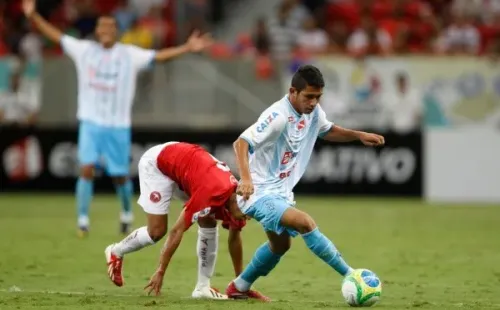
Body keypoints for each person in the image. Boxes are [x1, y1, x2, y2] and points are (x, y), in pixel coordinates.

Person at [21, 0, 213, 237]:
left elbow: (159, 57)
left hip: (118, 125)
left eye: (110, 28)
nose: (105, 32)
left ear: (116, 32)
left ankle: (125, 213)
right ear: (97, 31)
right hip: (90, 122)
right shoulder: (85, 51)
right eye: (102, 28)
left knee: (120, 175)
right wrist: (32, 15)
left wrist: (186, 48)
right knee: (86, 168)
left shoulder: (128, 55)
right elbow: (56, 36)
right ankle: (82, 220)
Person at [225, 65, 385, 301]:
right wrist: (246, 179)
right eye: (309, 96)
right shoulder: (277, 117)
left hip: (281, 193)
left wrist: (358, 135)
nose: (313, 102)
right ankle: (352, 275)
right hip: (257, 193)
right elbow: (241, 143)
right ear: (293, 92)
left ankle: (239, 287)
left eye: (318, 97)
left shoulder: (314, 112)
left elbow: (327, 130)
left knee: (280, 246)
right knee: (304, 222)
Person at [105, 142, 267, 299]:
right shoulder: (213, 193)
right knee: (156, 231)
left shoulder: (239, 197)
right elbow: (177, 230)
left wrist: (240, 283)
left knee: (208, 220)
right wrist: (161, 271)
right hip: (158, 164)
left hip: (186, 167)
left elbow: (234, 236)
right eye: (249, 211)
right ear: (238, 200)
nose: (250, 216)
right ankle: (116, 251)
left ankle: (202, 288)